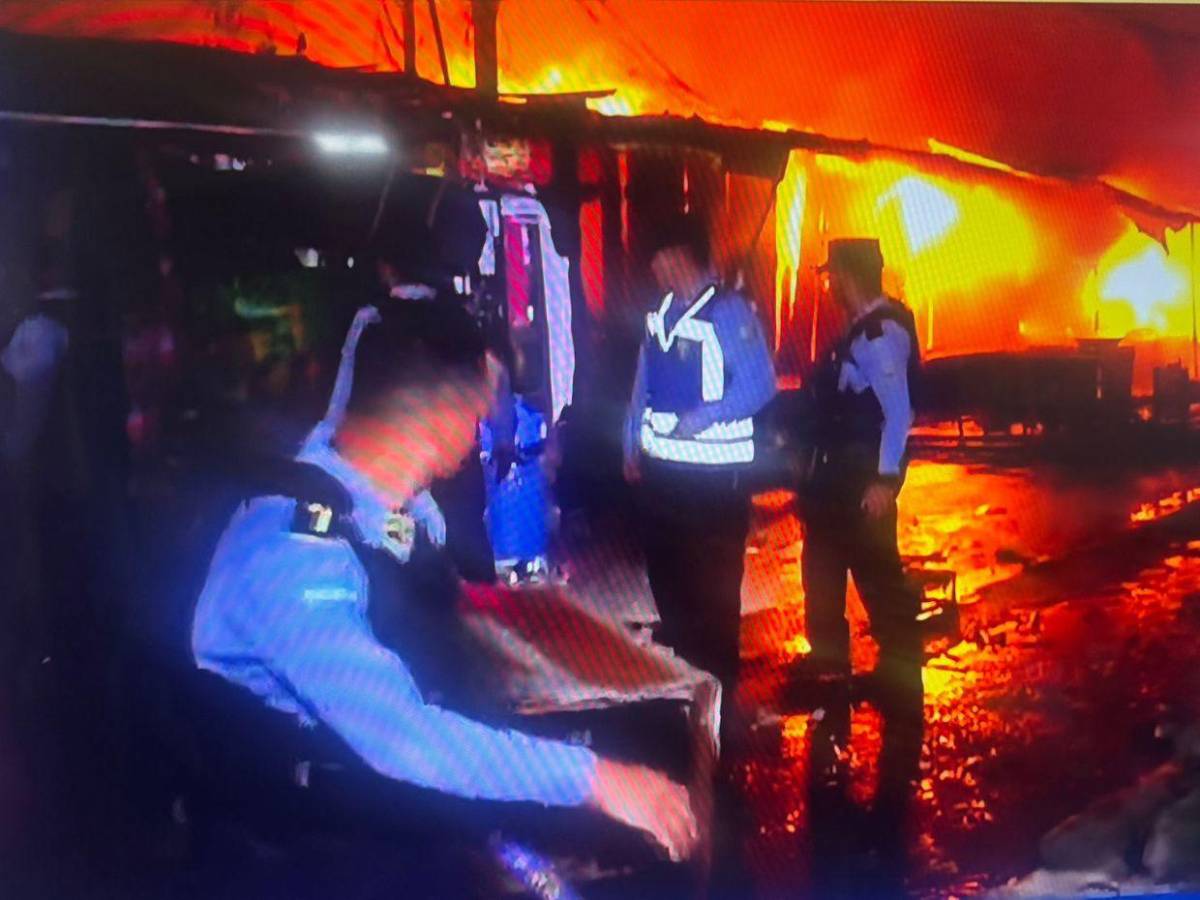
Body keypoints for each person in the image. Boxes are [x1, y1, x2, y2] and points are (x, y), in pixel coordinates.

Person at [191, 305, 699, 864]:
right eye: (479, 411)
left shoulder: (386, 501)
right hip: (292, 847)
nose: (480, 430)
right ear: (444, 417)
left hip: (361, 802)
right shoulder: (292, 559)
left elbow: (442, 618)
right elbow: (403, 739)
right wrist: (599, 780)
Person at [623, 215, 777, 731]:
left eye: (658, 259)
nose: (653, 270)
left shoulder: (729, 312)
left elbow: (761, 385)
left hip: (713, 489)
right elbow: (641, 386)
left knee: (712, 606)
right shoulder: (660, 314)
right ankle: (692, 699)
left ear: (679, 256)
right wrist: (631, 444)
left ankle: (720, 712)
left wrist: (704, 418)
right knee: (673, 596)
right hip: (664, 482)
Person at [789, 238, 922, 698]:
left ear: (847, 277)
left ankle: (895, 672)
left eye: (832, 278)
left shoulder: (877, 337)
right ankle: (837, 663)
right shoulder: (866, 330)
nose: (828, 287)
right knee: (828, 567)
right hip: (840, 479)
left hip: (856, 481)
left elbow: (898, 412)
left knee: (869, 571)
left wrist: (884, 482)